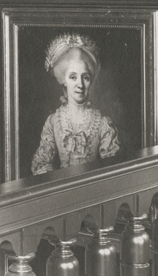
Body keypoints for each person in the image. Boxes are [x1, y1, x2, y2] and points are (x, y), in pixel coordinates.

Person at [30, 34, 120, 175]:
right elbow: (41, 163)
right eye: (73, 77)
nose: (80, 84)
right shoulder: (53, 122)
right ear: (64, 80)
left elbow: (112, 169)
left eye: (85, 77)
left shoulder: (103, 124)